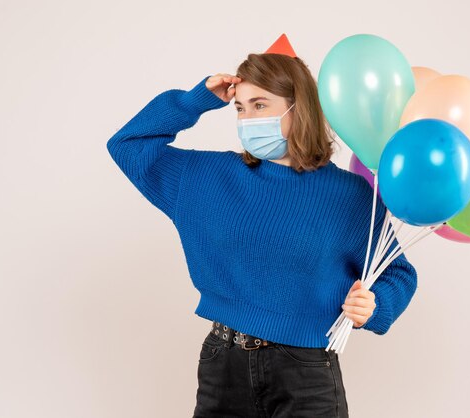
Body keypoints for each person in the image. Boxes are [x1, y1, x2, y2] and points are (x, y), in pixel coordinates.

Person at [106, 34, 417, 418]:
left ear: (297, 108)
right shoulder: (206, 178)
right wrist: (194, 101)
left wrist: (376, 304)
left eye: (260, 105)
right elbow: (128, 145)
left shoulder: (350, 195)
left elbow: (398, 273)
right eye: (239, 108)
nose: (247, 119)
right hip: (223, 362)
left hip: (306, 371)